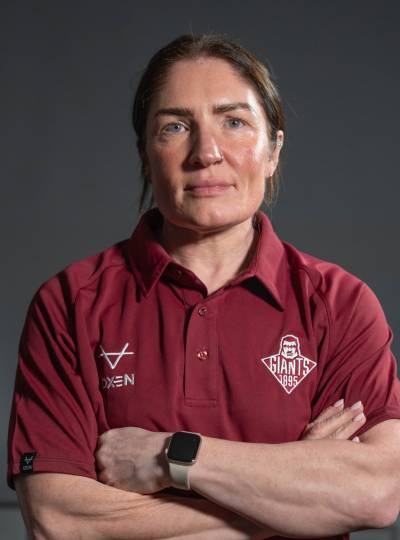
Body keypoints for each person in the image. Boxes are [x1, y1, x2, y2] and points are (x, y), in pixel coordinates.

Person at [8, 33, 400, 540]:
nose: (206, 153)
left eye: (233, 122)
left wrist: (171, 455)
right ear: (146, 154)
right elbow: (57, 520)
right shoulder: (69, 303)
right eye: (175, 126)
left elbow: (377, 492)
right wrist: (291, 501)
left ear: (274, 150)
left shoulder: (340, 304)